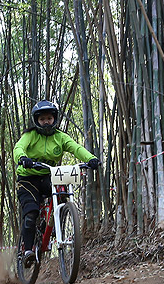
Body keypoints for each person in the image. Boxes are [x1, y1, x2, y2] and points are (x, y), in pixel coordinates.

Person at [13, 100, 100, 267]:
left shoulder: (60, 137)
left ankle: (54, 222)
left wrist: (91, 159)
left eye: (49, 118)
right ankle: (27, 251)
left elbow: (75, 148)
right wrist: (22, 158)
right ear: (36, 120)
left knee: (62, 192)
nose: (46, 122)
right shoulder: (30, 135)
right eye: (42, 119)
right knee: (31, 213)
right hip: (28, 179)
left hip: (49, 175)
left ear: (54, 119)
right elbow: (19, 148)